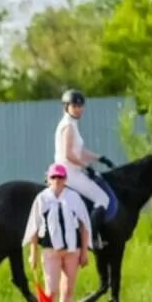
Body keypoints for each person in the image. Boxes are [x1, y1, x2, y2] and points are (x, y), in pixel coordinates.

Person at [23, 163, 93, 302]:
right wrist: (33, 254)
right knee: (50, 291)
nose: (57, 180)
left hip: (72, 251)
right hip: (50, 251)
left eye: (60, 177)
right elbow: (34, 228)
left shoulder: (73, 198)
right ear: (48, 179)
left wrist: (84, 252)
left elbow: (84, 225)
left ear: (65, 180)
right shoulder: (42, 199)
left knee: (68, 290)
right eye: (53, 177)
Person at [54, 88, 115, 248]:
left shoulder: (71, 124)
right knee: (103, 199)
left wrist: (100, 158)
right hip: (69, 173)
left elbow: (80, 151)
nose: (79, 109)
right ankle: (90, 240)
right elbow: (68, 154)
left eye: (81, 106)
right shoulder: (68, 126)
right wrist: (87, 167)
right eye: (74, 106)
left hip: (70, 170)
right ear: (66, 107)